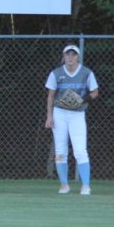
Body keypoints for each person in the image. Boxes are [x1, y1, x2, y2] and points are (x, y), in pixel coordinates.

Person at [44, 44, 98, 195]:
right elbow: (51, 96)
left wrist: (83, 99)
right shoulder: (56, 73)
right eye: (68, 54)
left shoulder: (86, 72)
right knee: (60, 150)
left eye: (73, 54)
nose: (70, 57)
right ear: (64, 56)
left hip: (77, 114)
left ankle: (86, 185)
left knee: (80, 150)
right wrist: (49, 116)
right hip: (60, 113)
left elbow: (95, 92)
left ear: (78, 57)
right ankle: (64, 185)